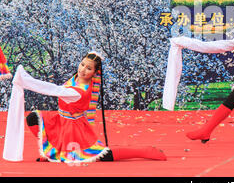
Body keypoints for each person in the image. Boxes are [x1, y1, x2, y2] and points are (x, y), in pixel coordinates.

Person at [3, 52, 166, 163]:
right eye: (82, 65)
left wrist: (25, 79)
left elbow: (52, 89)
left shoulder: (79, 92)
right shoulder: (77, 78)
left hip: (74, 128)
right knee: (32, 118)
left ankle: (143, 151)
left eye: (88, 68)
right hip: (60, 120)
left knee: (102, 156)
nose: (82, 70)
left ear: (95, 73)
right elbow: (91, 59)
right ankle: (50, 152)